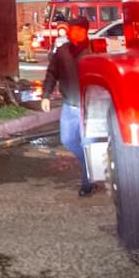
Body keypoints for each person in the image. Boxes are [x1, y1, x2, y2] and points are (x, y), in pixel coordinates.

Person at [41, 15, 94, 196]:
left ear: (85, 31)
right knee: (68, 140)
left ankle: (88, 182)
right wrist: (46, 95)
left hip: (89, 108)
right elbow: (51, 73)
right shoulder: (63, 51)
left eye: (78, 30)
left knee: (87, 143)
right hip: (69, 106)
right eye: (72, 30)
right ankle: (89, 164)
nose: (74, 33)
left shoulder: (93, 51)